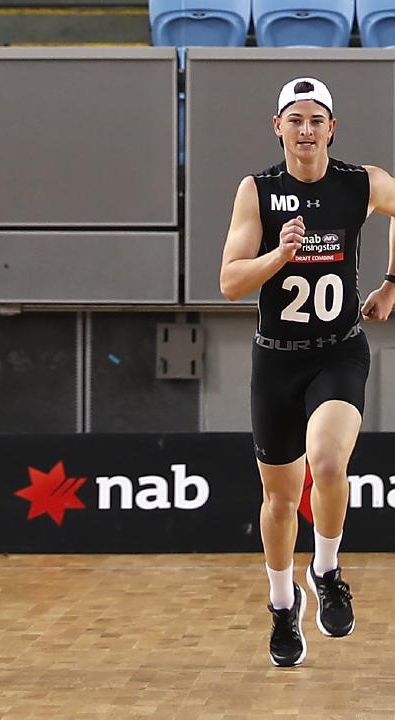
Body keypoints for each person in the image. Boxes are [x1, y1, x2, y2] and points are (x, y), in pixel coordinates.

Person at [220, 78, 395, 667]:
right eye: (295, 119)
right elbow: (229, 283)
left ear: (332, 129)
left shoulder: (360, 182)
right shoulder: (259, 190)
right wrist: (279, 255)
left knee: (327, 462)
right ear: (278, 127)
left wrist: (393, 283)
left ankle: (326, 569)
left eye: (316, 120)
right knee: (279, 498)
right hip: (277, 358)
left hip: (338, 350)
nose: (306, 130)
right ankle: (280, 605)